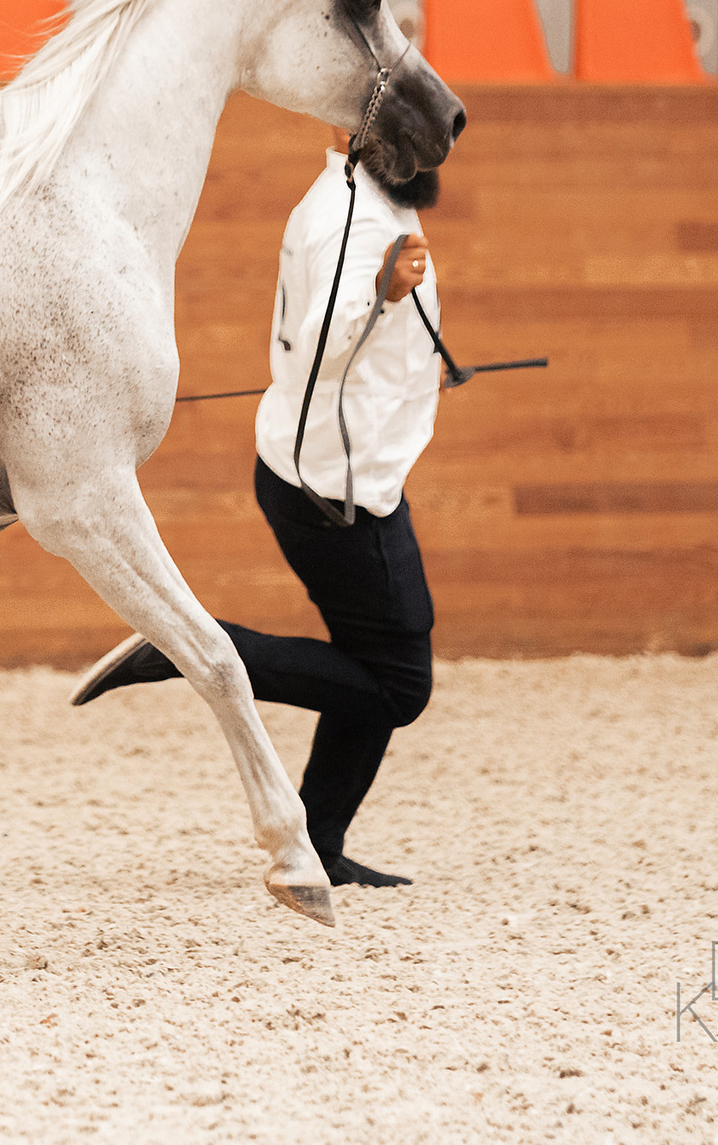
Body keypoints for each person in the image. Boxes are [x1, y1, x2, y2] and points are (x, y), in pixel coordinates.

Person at [71, 126, 442, 889]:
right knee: (400, 684)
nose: (428, 137)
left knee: (365, 671)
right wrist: (382, 293)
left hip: (325, 469)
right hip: (340, 490)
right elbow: (318, 349)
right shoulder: (356, 220)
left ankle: (321, 841)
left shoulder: (354, 198)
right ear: (346, 127)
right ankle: (190, 642)